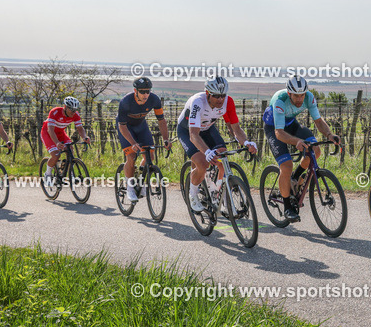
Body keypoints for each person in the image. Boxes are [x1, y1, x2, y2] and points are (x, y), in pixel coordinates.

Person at [261, 75, 340, 222]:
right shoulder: (280, 100)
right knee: (286, 165)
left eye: (302, 95)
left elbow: (318, 121)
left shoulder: (309, 98)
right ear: (289, 93)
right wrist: (297, 141)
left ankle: (295, 178)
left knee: (315, 151)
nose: (299, 99)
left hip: (291, 123)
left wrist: (329, 134)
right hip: (274, 127)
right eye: (296, 96)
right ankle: (287, 208)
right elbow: (279, 133)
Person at [178, 78, 257, 213]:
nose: (220, 99)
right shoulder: (198, 102)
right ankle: (193, 194)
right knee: (203, 163)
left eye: (223, 95)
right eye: (216, 96)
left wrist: (246, 142)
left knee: (223, 157)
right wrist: (207, 152)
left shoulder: (228, 102)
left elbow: (236, 129)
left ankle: (219, 194)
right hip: (188, 131)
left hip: (207, 129)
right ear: (208, 93)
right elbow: (194, 135)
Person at [116, 77, 170, 203]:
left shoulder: (154, 99)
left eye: (148, 91)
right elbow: (122, 125)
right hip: (125, 127)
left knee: (149, 154)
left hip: (141, 126)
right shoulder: (126, 101)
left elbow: (161, 120)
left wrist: (166, 139)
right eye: (142, 91)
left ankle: (141, 180)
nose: (146, 94)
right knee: (131, 155)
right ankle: (130, 187)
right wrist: (133, 143)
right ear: (136, 91)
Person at [40, 96, 92, 184]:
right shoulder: (55, 112)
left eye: (75, 109)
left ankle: (69, 175)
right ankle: (47, 174)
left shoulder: (75, 114)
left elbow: (80, 128)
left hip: (60, 133)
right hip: (48, 133)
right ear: (65, 107)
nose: (73, 112)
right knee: (56, 155)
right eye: (71, 109)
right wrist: (56, 143)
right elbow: (50, 130)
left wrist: (85, 137)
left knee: (70, 150)